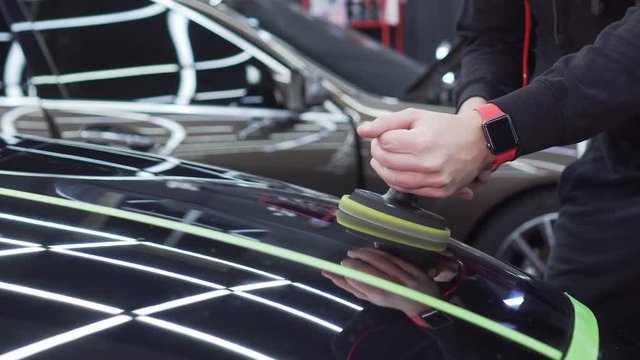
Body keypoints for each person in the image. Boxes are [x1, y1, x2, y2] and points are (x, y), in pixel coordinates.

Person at [353, 0, 640, 349]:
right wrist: (472, 116)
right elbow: (493, 33)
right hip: (619, 163)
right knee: (568, 338)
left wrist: (489, 135)